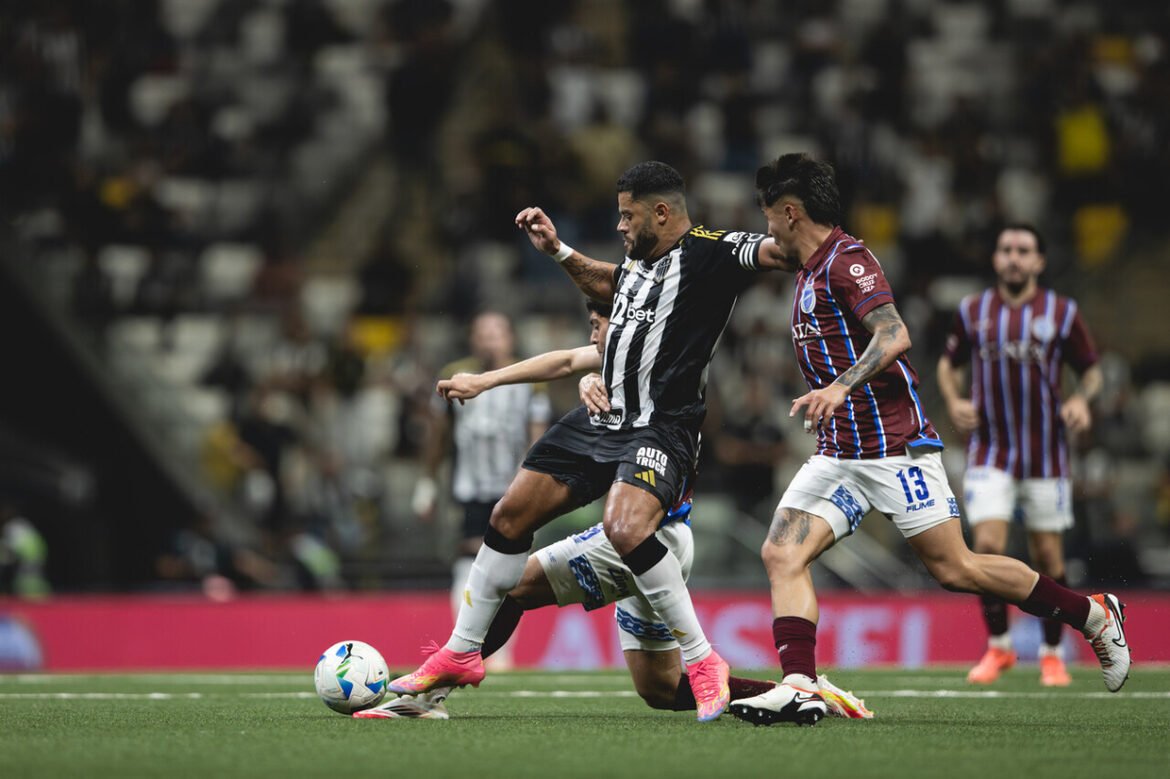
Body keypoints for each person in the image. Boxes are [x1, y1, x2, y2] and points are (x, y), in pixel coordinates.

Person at [727, 153, 1130, 727]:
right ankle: (800, 684)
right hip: (840, 453)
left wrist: (839, 387)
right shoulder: (804, 265)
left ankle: (1093, 614)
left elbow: (894, 335)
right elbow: (740, 250)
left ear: (790, 213)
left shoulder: (848, 260)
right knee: (780, 552)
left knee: (957, 568)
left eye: (770, 216)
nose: (767, 228)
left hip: (894, 446)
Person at [388, 161, 800, 722]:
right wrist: (557, 252)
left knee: (623, 527)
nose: (620, 227)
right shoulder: (635, 267)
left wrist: (824, 240)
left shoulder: (712, 251)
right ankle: (461, 653)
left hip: (660, 432)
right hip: (604, 427)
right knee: (510, 515)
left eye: (628, 215)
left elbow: (785, 253)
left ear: (662, 211)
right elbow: (599, 305)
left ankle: (707, 661)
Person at [359, 301, 872, 721]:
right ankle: (800, 695)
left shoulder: (655, 383)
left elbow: (581, 370)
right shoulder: (613, 371)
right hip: (655, 545)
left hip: (640, 541)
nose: (594, 334)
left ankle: (428, 699)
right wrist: (488, 381)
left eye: (600, 324)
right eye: (592, 326)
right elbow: (561, 361)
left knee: (513, 587)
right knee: (660, 689)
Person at [937, 224, 1102, 687]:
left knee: (1049, 558)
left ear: (1039, 262)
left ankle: (1052, 653)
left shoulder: (1062, 313)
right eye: (1006, 249)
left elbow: (1090, 371)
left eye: (1023, 251)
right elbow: (947, 364)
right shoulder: (973, 311)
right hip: (990, 451)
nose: (1014, 257)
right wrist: (953, 401)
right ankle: (1000, 647)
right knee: (986, 547)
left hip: (1047, 455)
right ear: (995, 259)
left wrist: (1081, 400)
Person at [413, 311, 552, 667]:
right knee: (467, 559)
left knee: (511, 568)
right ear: (473, 338)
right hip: (469, 488)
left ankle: (500, 653)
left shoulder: (530, 377)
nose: (490, 340)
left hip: (513, 489)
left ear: (510, 338)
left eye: (497, 333)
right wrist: (427, 483)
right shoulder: (457, 373)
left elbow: (537, 435)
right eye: (483, 333)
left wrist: (533, 484)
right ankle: (465, 644)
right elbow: (438, 434)